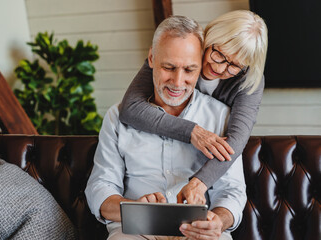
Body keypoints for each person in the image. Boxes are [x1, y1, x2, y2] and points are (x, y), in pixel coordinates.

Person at [85, 15, 246, 240]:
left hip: (199, 233)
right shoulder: (117, 117)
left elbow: (232, 192)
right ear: (151, 58)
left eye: (189, 70)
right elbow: (100, 189)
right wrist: (135, 207)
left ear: (201, 66)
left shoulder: (221, 116)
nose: (178, 83)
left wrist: (218, 220)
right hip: (136, 232)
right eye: (169, 67)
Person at [118, 10, 268, 205]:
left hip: (211, 168)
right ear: (209, 37)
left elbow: (235, 141)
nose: (221, 69)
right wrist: (193, 132)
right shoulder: (180, 53)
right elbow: (130, 108)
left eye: (234, 66)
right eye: (219, 55)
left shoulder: (249, 81)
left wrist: (199, 183)